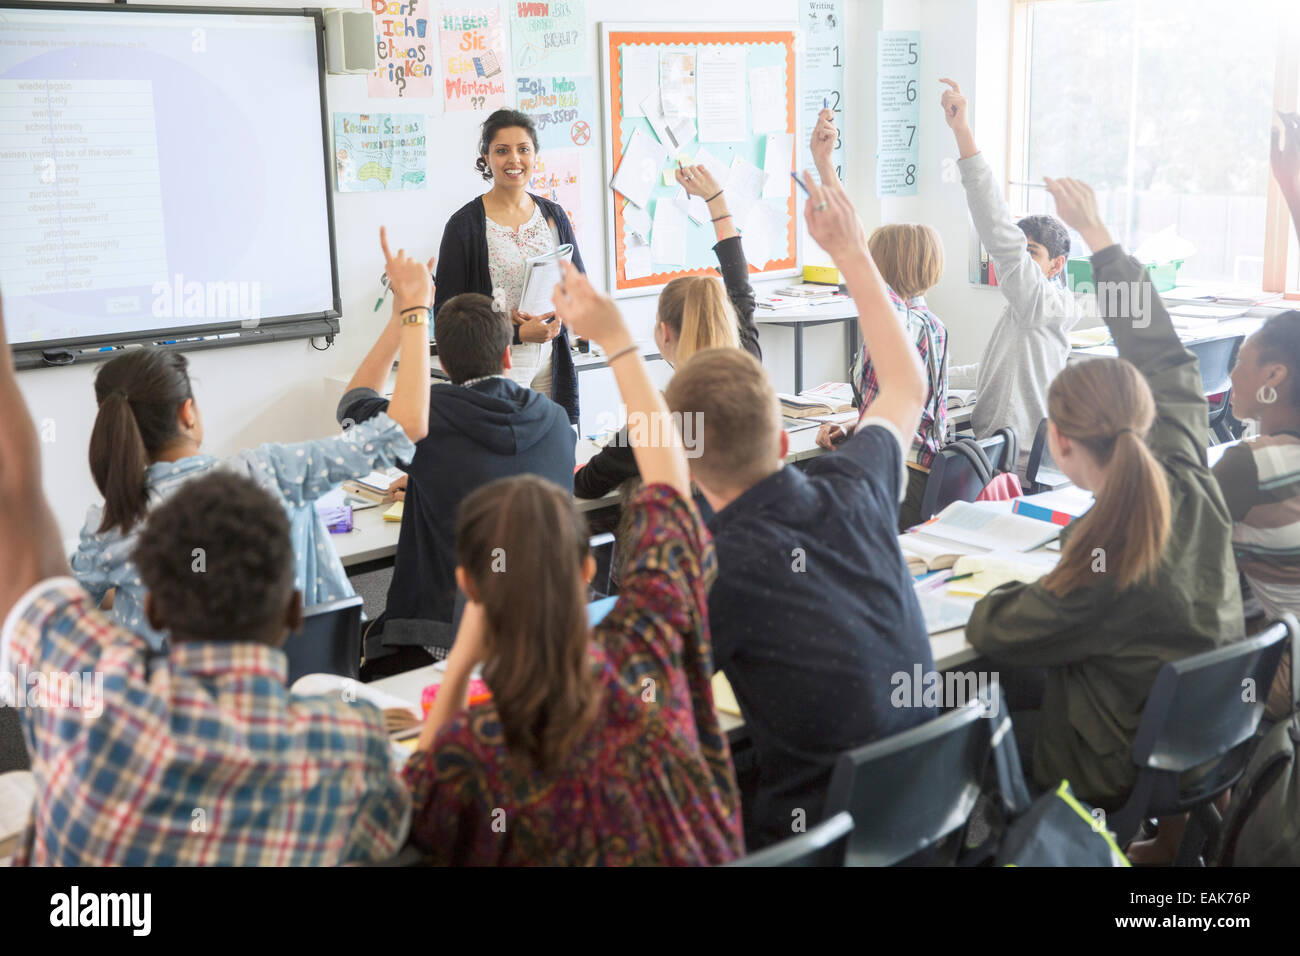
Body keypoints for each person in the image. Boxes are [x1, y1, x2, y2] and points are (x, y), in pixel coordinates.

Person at [0, 298, 410, 865]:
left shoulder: (90, 751)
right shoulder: (350, 748)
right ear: (293, 610)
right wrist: (408, 312)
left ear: (161, 613)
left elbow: (26, 548)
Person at [400, 262, 743, 865]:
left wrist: (458, 670)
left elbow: (403, 812)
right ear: (589, 570)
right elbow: (667, 474)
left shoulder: (473, 750)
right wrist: (615, 340)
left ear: (467, 587)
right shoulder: (651, 648)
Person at [964, 178, 1244, 842]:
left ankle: (1027, 847)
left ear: (1058, 443)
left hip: (1112, 758)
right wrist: (1100, 237)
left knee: (970, 704)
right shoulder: (1184, 464)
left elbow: (992, 628)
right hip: (1205, 735)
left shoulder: (1103, 551)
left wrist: (997, 588)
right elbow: (1164, 352)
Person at [664, 169, 936, 849]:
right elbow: (906, 384)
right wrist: (851, 251)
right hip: (929, 821)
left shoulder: (713, 569)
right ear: (786, 440)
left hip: (814, 841)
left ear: (689, 467)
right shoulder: (858, 487)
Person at [70, 230, 434, 650]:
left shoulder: (108, 527)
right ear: (188, 412)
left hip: (172, 709)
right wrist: (414, 310)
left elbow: (61, 621)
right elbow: (405, 426)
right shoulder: (270, 472)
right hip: (298, 693)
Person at [337, 290, 575, 674]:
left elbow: (351, 406)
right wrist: (422, 479)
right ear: (507, 356)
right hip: (539, 637)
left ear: (444, 364)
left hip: (448, 646)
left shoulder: (426, 420)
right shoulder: (556, 419)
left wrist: (403, 318)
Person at [573, 161, 761, 500]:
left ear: (664, 332)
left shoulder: (659, 421)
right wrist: (716, 201)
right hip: (744, 540)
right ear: (723, 318)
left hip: (682, 549)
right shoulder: (749, 370)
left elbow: (586, 486)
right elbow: (740, 289)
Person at [940, 78, 1082, 478]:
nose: (1018, 259)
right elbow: (995, 369)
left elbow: (996, 228)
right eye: (1020, 250)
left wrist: (962, 133)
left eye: (1030, 252)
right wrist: (934, 374)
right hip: (1008, 449)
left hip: (1011, 463)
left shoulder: (1037, 302)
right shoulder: (1032, 307)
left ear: (1056, 265)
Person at [433, 109, 585, 426]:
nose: (514, 159)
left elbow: (579, 289)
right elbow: (447, 316)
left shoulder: (553, 215)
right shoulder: (464, 226)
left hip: (552, 358)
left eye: (523, 149)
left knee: (554, 453)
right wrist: (514, 331)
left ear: (535, 155)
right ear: (486, 157)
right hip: (494, 365)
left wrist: (559, 316)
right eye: (502, 151)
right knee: (508, 456)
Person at [1213, 309, 1300, 717]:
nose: (1231, 375)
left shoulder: (1250, 464)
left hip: (1288, 671)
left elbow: (1161, 535)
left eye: (1241, 363)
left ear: (1274, 376)